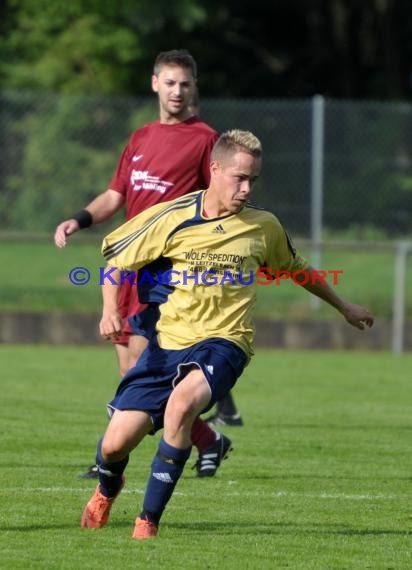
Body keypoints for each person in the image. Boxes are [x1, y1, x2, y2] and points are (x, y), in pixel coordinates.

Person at [80, 129, 374, 539]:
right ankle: (108, 488)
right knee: (114, 446)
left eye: (253, 179)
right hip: (168, 344)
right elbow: (115, 257)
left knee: (181, 407)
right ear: (214, 169)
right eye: (239, 178)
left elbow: (296, 267)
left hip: (227, 342)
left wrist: (344, 306)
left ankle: (147, 521)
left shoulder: (262, 226)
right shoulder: (172, 216)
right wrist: (110, 309)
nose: (246, 188)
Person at [54, 49, 232, 478]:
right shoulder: (140, 137)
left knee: (143, 371)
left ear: (193, 87)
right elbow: (115, 197)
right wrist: (78, 219)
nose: (177, 91)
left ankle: (110, 462)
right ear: (155, 83)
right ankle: (208, 440)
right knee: (131, 371)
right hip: (127, 270)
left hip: (166, 273)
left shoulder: (205, 139)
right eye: (169, 82)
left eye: (185, 84)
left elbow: (221, 202)